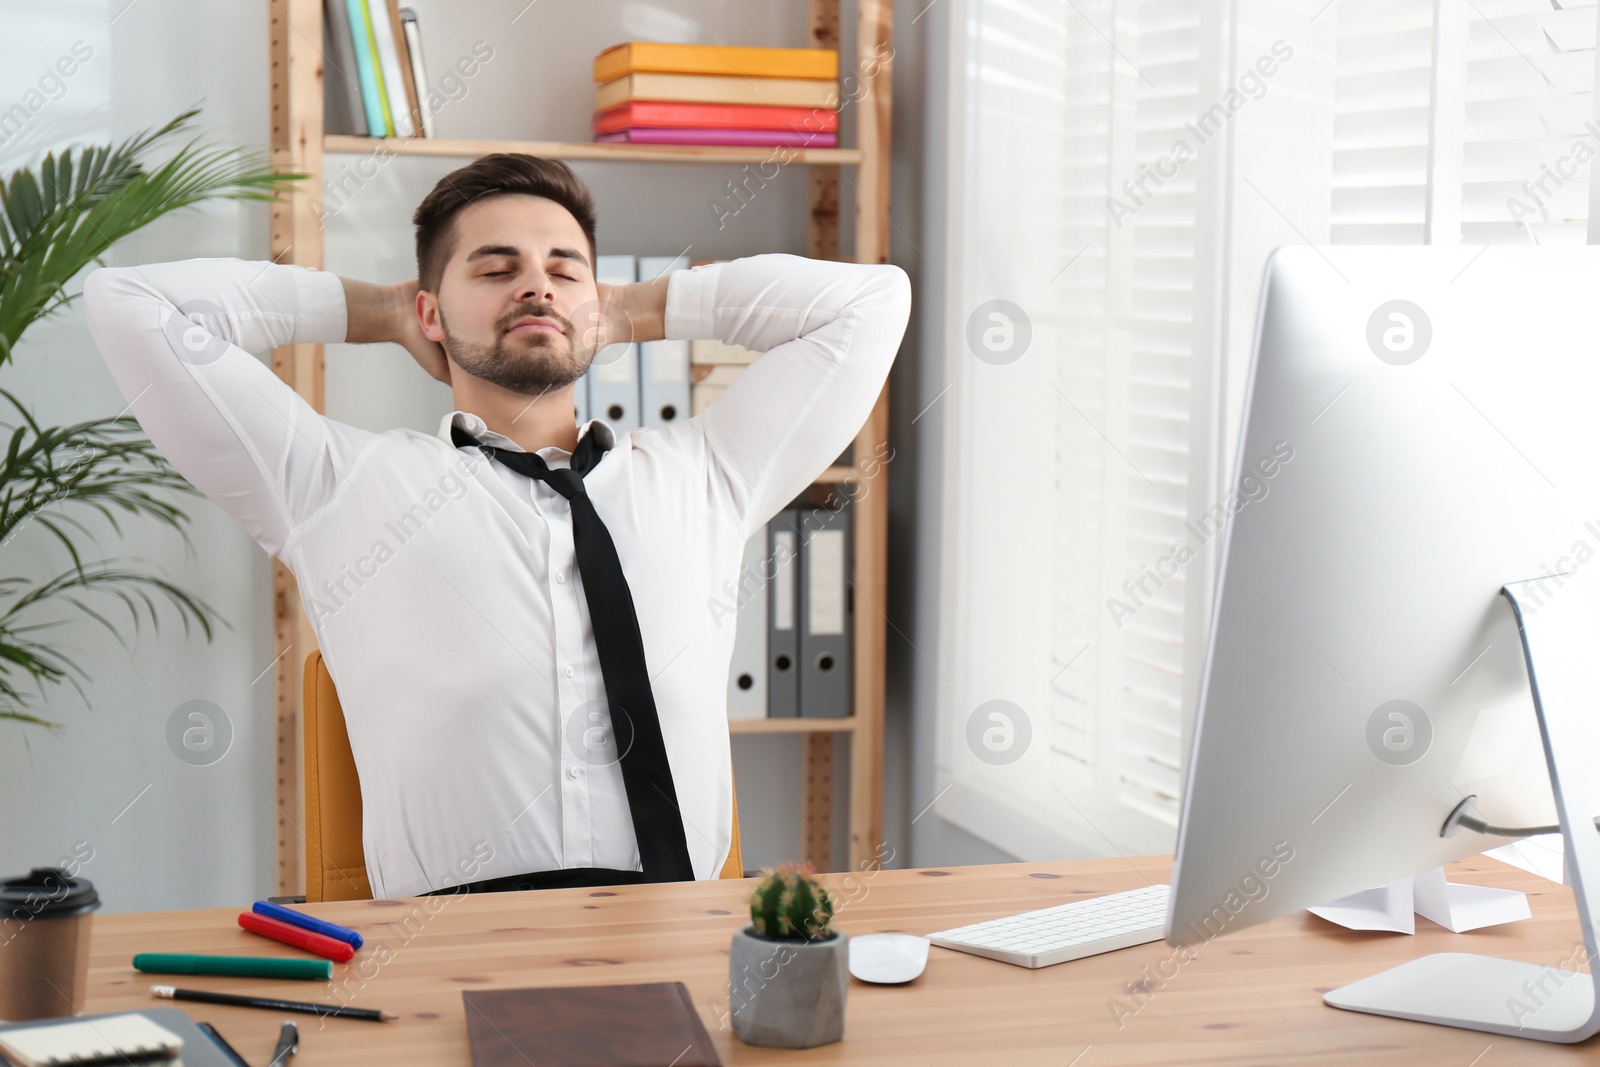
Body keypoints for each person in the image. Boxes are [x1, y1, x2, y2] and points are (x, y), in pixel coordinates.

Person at [82, 153, 912, 898]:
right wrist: (376, 311)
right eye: (495, 268)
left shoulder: (708, 474)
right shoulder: (333, 485)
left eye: (564, 269)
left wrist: (633, 309)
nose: (537, 286)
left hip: (681, 934)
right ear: (431, 311)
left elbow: (872, 302)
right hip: (448, 955)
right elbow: (131, 304)